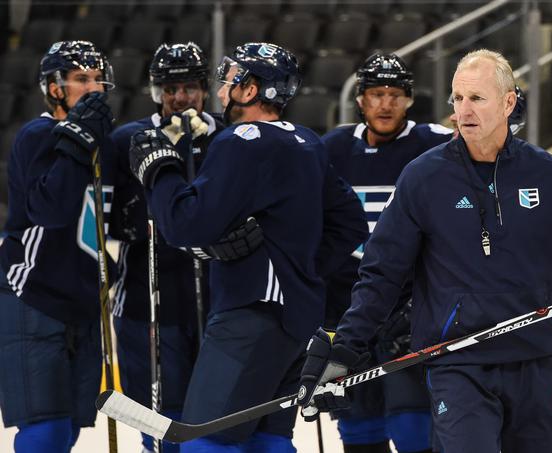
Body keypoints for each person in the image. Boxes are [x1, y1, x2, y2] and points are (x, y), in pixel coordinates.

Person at [297, 49, 552, 453]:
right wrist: (345, 347)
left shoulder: (548, 174)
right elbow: (382, 273)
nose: (464, 110)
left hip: (537, 363)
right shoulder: (423, 178)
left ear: (509, 102)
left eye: (476, 98)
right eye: (457, 99)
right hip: (457, 365)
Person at [127, 42, 364, 452]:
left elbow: (186, 226)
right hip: (298, 323)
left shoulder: (240, 140)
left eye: (229, 81)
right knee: (267, 441)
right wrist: (297, 265)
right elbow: (351, 222)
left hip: (251, 316)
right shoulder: (307, 141)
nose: (221, 92)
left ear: (250, 88)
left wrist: (160, 170)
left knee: (205, 442)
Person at [320, 53, 455, 453]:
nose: (386, 104)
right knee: (359, 428)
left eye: (395, 95)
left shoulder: (435, 143)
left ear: (409, 100)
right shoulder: (331, 149)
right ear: (360, 100)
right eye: (376, 94)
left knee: (413, 426)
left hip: (410, 309)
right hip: (348, 310)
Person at [0, 40, 117, 452]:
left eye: (97, 80)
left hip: (82, 302)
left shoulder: (108, 144)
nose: (93, 87)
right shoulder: (38, 135)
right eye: (81, 79)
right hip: (31, 293)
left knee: (66, 430)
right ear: (54, 88)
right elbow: (52, 209)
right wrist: (81, 137)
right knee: (44, 431)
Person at [108, 41, 223, 453]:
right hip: (146, 298)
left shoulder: (226, 136)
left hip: (218, 298)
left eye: (189, 87)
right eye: (168, 88)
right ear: (156, 91)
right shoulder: (127, 140)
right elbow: (102, 213)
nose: (179, 98)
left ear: (204, 89)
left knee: (215, 413)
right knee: (158, 416)